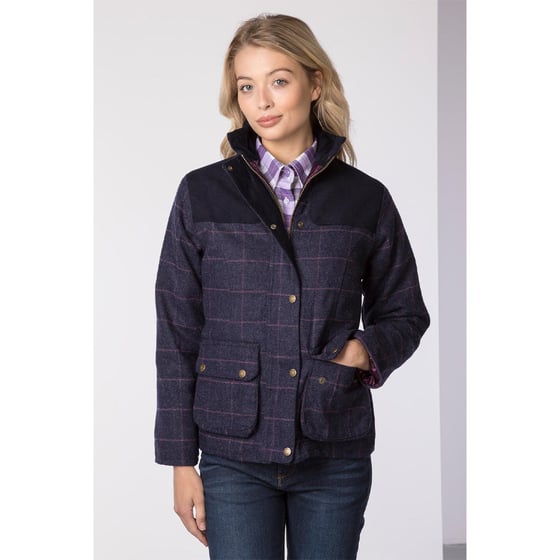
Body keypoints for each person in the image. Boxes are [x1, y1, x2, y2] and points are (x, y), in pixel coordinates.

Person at [154, 13, 430, 560]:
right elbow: (177, 332)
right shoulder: (201, 194)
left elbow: (406, 311)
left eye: (278, 81)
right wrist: (181, 461)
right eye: (246, 86)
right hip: (233, 452)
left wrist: (362, 351)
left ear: (315, 83)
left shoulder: (365, 198)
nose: (262, 101)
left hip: (333, 445)